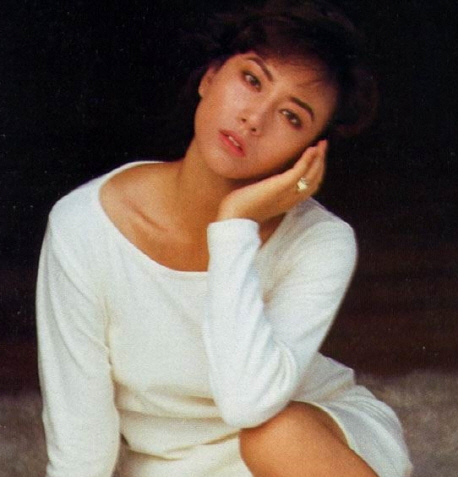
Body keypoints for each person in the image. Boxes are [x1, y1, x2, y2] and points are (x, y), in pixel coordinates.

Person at [36, 1, 412, 476]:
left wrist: (233, 225)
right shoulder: (85, 225)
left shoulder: (321, 240)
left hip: (313, 442)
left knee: (275, 438)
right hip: (171, 467)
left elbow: (248, 404)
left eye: (292, 117)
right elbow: (80, 441)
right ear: (210, 77)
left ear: (308, 152)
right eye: (251, 80)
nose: (255, 119)